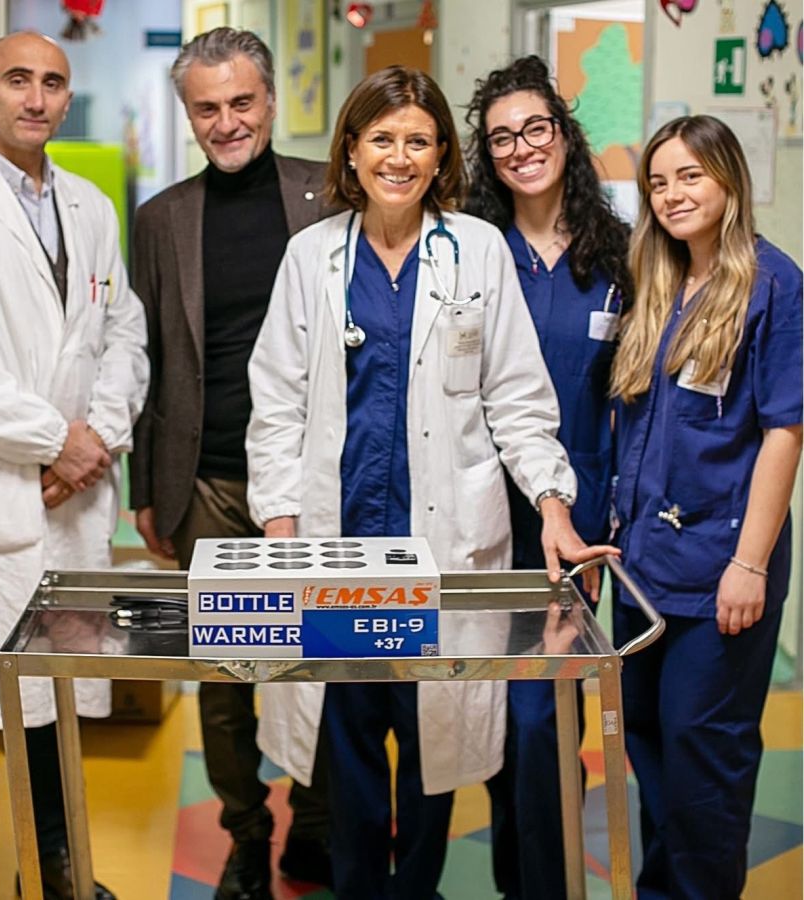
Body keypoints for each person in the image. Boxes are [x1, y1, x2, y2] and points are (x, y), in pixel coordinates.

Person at [245, 65, 615, 900]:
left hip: (441, 550)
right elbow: (276, 403)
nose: (400, 157)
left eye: (418, 140)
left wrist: (552, 503)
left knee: (430, 748)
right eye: (382, 138)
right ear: (351, 149)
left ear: (442, 152)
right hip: (340, 551)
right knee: (347, 744)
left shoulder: (475, 249)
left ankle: (415, 890)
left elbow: (517, 397)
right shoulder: (312, 256)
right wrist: (280, 526)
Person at [0, 32, 149, 900]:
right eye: (18, 80)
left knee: (55, 697)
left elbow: (123, 335)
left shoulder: (90, 206)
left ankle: (57, 868)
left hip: (73, 497)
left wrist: (97, 439)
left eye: (52, 83)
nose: (36, 98)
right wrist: (56, 440)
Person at [128, 28, 331, 900]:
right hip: (208, 476)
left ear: (270, 101)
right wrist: (146, 488)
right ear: (189, 116)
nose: (227, 121)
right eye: (207, 108)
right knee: (224, 678)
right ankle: (246, 834)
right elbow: (143, 357)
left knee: (320, 662)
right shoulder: (161, 219)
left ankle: (316, 826)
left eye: (241, 101)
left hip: (315, 479)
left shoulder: (328, 193)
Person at [610, 115, 802, 899]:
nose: (672, 194)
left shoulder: (772, 285)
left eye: (690, 176)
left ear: (729, 180)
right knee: (650, 746)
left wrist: (749, 564)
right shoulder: (657, 283)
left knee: (702, 761)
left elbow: (785, 431)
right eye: (658, 182)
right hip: (644, 567)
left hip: (721, 570)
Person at [464, 56, 631, 899]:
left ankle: (547, 884)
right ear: (486, 156)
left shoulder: (619, 255)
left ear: (564, 134)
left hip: (575, 521)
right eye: (502, 138)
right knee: (497, 718)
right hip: (479, 513)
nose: (522, 148)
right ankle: (519, 881)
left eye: (536, 128)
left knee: (546, 716)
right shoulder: (471, 248)